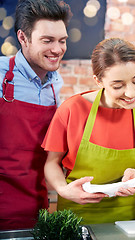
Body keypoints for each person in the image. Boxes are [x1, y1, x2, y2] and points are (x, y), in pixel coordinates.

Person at [42, 37, 135, 224]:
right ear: (98, 81)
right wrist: (64, 190)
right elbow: (51, 163)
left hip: (125, 219)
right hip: (74, 214)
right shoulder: (72, 110)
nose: (130, 93)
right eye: (118, 86)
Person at [0, 0, 71, 230]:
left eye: (62, 41)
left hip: (36, 207)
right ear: (23, 38)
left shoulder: (55, 84)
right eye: (47, 40)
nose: (57, 49)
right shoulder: (1, 74)